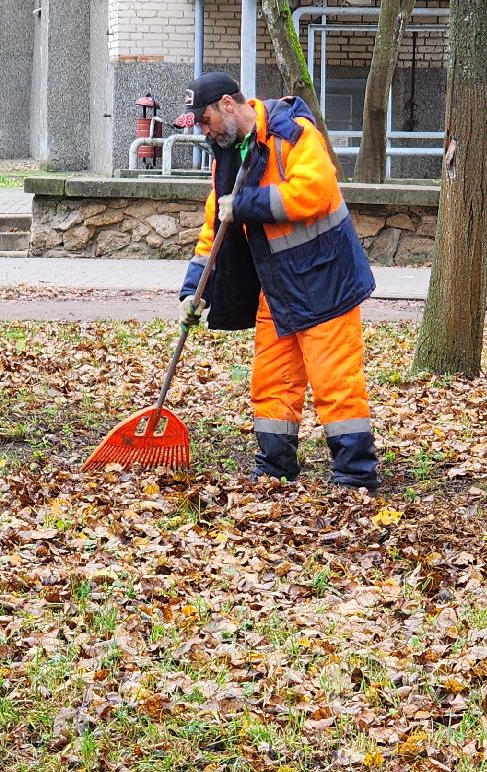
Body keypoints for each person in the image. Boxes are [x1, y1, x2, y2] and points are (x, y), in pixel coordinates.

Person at [178, 71, 380, 492]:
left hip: (327, 283)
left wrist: (247, 204)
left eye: (205, 119)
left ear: (228, 106)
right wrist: (192, 288)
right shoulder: (229, 153)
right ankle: (275, 467)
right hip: (278, 289)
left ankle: (355, 476)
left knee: (335, 382)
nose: (203, 130)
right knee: (271, 382)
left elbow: (315, 191)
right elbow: (214, 227)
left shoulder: (293, 132)